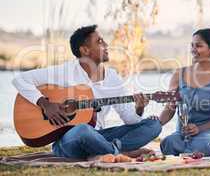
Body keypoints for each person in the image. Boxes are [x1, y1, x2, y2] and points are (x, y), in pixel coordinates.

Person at [12, 25, 162, 159]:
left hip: (101, 136)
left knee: (154, 125)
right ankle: (120, 153)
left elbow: (130, 120)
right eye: (100, 42)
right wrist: (45, 104)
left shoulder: (112, 78)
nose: (106, 45)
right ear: (85, 50)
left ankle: (107, 151)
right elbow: (20, 80)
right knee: (84, 129)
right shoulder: (66, 71)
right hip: (70, 140)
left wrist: (139, 107)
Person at [157, 28, 210, 156]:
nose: (193, 49)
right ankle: (196, 151)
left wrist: (199, 129)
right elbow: (170, 109)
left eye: (198, 46)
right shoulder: (179, 74)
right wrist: (155, 125)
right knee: (168, 143)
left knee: (206, 145)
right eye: (192, 45)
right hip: (184, 134)